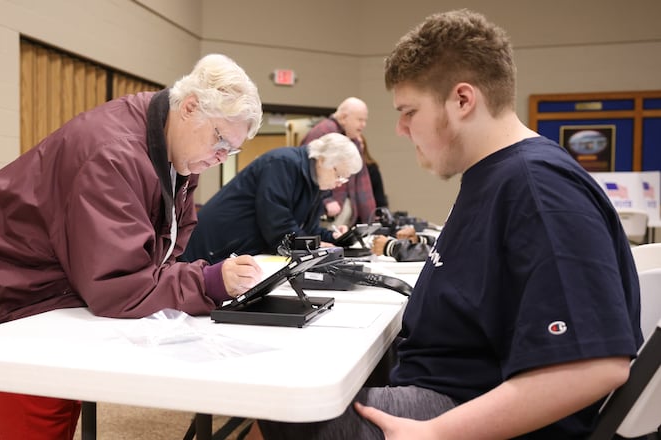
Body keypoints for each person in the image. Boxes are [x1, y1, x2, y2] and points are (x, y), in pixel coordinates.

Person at [248, 9, 641, 440]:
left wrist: (437, 433)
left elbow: (595, 367)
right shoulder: (494, 176)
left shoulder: (538, 189)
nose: (400, 129)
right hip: (447, 385)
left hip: (459, 409)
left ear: (462, 100)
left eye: (409, 111)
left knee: (289, 404)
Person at [0, 53, 265, 440]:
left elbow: (167, 242)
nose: (220, 157)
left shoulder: (176, 144)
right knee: (43, 402)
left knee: (69, 383)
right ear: (190, 107)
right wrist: (207, 282)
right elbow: (119, 285)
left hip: (55, 260)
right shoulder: (113, 153)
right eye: (220, 139)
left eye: (232, 150)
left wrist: (173, 280)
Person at [183, 132, 362, 264]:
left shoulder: (316, 183)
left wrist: (337, 237)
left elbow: (308, 229)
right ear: (322, 160)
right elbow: (277, 224)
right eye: (339, 175)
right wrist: (315, 247)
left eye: (344, 178)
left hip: (239, 250)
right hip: (216, 246)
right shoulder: (283, 163)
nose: (340, 183)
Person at [301, 97, 376, 226]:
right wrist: (327, 200)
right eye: (360, 120)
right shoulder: (322, 133)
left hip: (344, 213)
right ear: (343, 117)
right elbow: (308, 171)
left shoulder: (354, 140)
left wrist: (371, 221)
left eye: (365, 120)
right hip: (325, 213)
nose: (363, 125)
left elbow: (363, 183)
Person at [361, 135, 389, 209]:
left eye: (361, 143)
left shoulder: (371, 167)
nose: (359, 145)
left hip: (369, 208)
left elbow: (378, 192)